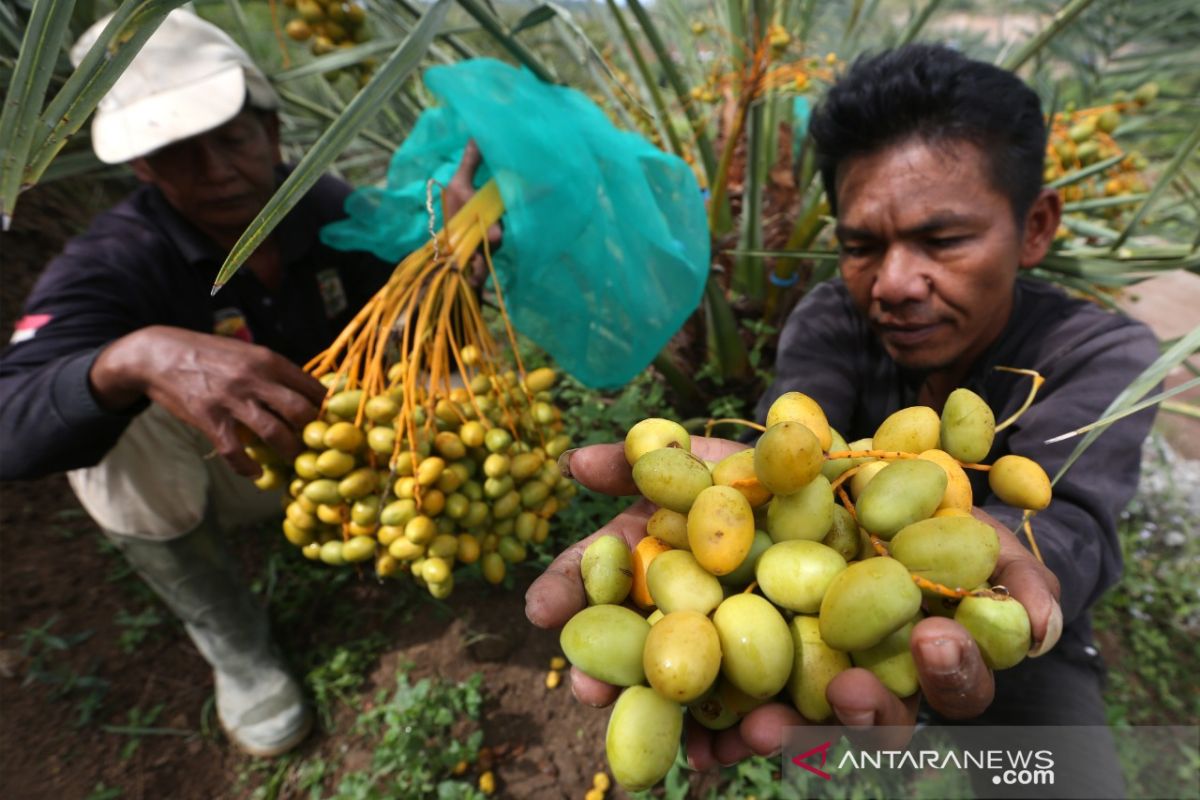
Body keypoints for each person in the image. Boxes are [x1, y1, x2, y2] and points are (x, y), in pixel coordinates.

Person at [526, 43, 1157, 792]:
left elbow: (1068, 518)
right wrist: (744, 481)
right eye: (861, 245)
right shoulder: (833, 317)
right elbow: (796, 436)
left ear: (1035, 226)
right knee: (832, 739)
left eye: (941, 239)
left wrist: (1013, 555)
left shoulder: (1098, 351)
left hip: (1017, 625)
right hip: (839, 633)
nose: (893, 283)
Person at [0, 10, 492, 757]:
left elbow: (405, 341)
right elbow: (9, 422)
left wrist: (445, 271)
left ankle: (409, 518)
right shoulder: (113, 262)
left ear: (270, 133)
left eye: (231, 139)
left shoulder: (325, 207)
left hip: (342, 451)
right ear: (143, 168)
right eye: (177, 152)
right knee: (108, 432)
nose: (217, 170)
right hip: (230, 472)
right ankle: (234, 644)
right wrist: (135, 357)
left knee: (456, 370)